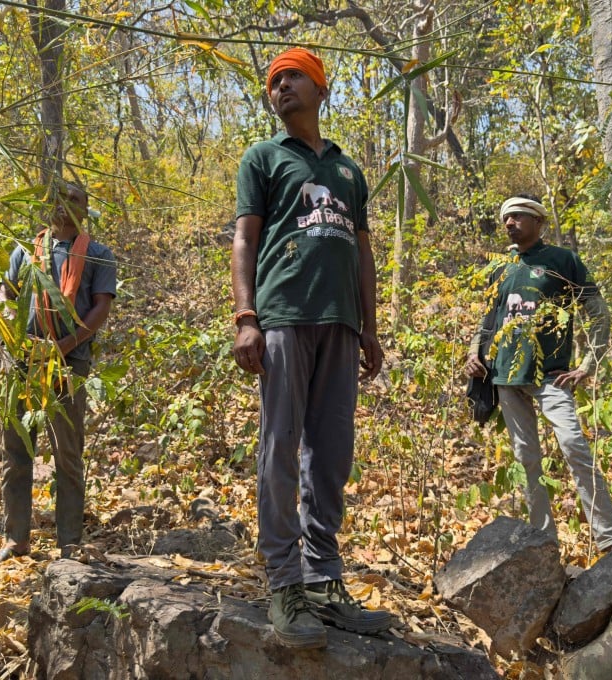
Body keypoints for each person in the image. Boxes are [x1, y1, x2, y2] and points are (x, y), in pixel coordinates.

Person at [231, 47, 392, 648]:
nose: (280, 88)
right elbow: (245, 240)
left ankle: (323, 580)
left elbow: (363, 253)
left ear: (320, 88)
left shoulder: (349, 171)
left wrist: (369, 328)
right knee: (279, 445)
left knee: (330, 454)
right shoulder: (264, 158)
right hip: (283, 318)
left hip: (342, 324)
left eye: (292, 77)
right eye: (273, 83)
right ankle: (283, 582)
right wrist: (246, 316)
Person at [466, 194, 612, 553]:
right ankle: (543, 540)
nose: (510, 223)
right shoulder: (501, 266)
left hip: (552, 375)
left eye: (519, 216)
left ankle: (610, 540)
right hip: (505, 377)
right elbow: (489, 318)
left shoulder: (563, 260)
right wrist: (474, 353)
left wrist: (588, 365)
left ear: (539, 222)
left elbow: (597, 310)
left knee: (574, 447)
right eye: (506, 217)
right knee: (526, 457)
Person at [0, 180, 117, 562]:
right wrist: (15, 331)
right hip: (23, 362)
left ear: (85, 210)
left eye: (74, 199)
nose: (65, 205)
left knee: (67, 452)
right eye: (59, 197)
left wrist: (66, 345)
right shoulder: (25, 251)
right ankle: (16, 539)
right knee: (16, 451)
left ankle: (69, 542)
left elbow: (100, 309)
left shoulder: (98, 255)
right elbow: (6, 295)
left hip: (70, 363)